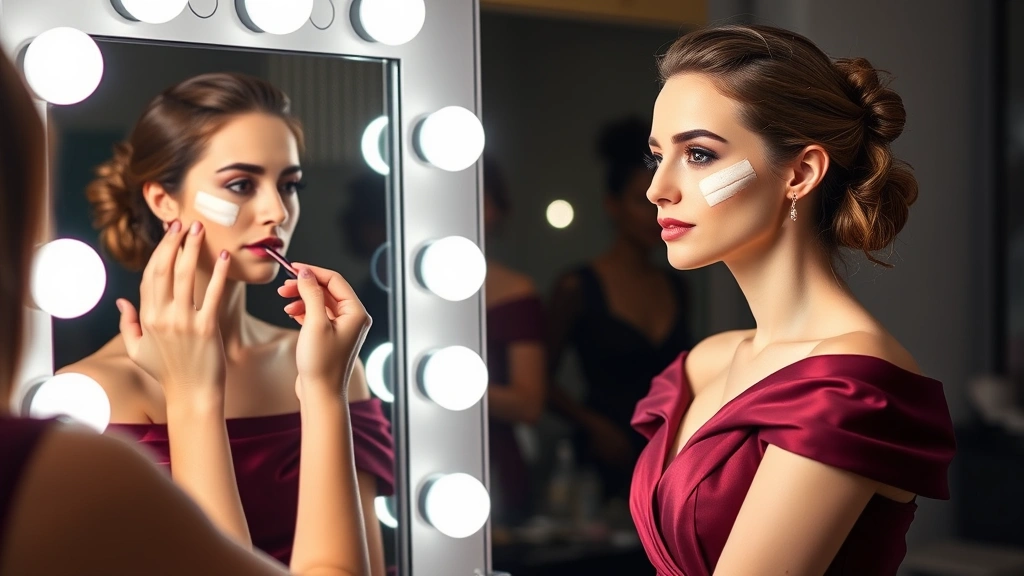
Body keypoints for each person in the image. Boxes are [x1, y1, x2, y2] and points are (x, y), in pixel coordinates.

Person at [0, 46, 373, 575]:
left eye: (289, 185)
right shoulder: (93, 396)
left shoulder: (330, 364)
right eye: (241, 185)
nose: (277, 211)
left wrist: (324, 390)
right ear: (162, 200)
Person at [629, 24, 956, 575]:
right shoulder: (706, 364)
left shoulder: (850, 385)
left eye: (700, 155)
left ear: (800, 173)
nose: (657, 188)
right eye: (656, 155)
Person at [547, 116, 693, 502]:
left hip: (665, 453)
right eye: (639, 199)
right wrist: (593, 425)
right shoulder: (577, 286)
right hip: (603, 454)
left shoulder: (675, 284)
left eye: (660, 197)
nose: (655, 210)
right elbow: (540, 382)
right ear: (612, 206)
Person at [481, 155, 547, 526]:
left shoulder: (514, 291)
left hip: (496, 470)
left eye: (479, 196)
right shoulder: (392, 291)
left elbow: (528, 403)